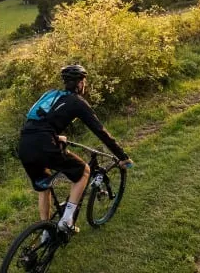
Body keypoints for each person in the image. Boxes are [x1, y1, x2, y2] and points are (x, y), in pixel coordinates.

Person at [18, 64, 133, 233]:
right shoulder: (77, 102)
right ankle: (67, 221)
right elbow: (100, 131)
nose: (84, 84)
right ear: (80, 83)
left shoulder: (50, 94)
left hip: (25, 145)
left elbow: (36, 120)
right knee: (84, 171)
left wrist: (55, 136)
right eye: (84, 81)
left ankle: (46, 231)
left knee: (44, 186)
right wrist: (122, 156)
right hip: (45, 145)